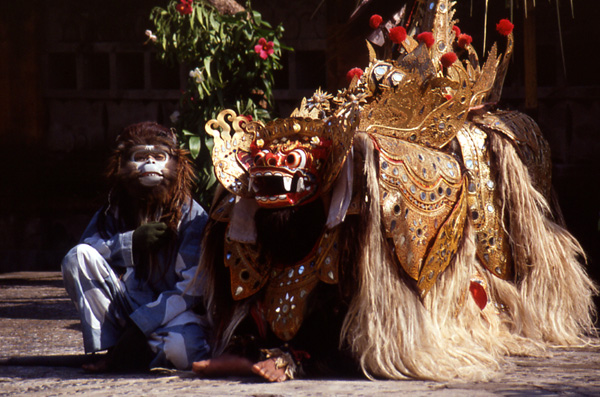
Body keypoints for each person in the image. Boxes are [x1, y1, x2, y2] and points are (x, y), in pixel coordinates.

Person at [62, 121, 210, 372]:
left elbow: (192, 287)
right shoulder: (114, 209)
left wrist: (143, 324)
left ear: (176, 163)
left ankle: (136, 350)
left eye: (158, 157)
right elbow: (86, 253)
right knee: (78, 257)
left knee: (185, 353)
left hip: (171, 311)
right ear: (123, 164)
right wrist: (129, 243)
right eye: (141, 157)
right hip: (126, 307)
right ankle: (112, 349)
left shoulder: (192, 215)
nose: (150, 164)